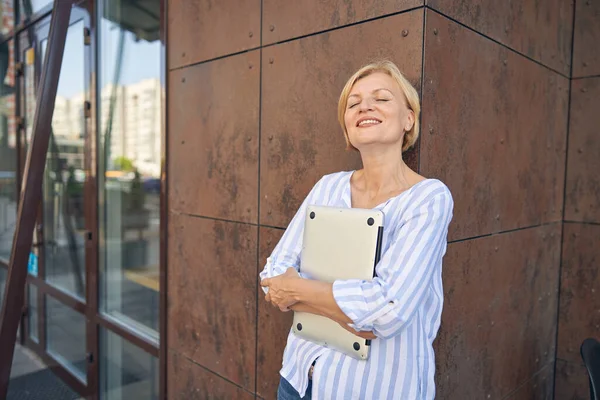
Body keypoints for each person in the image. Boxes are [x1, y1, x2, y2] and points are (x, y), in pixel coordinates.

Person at [260, 60, 454, 400]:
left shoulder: (428, 198)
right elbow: (273, 274)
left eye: (381, 98)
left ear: (409, 118)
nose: (365, 106)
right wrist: (355, 313)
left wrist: (300, 290)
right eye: (353, 103)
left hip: (371, 390)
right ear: (347, 127)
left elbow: (388, 310)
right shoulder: (327, 187)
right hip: (297, 380)